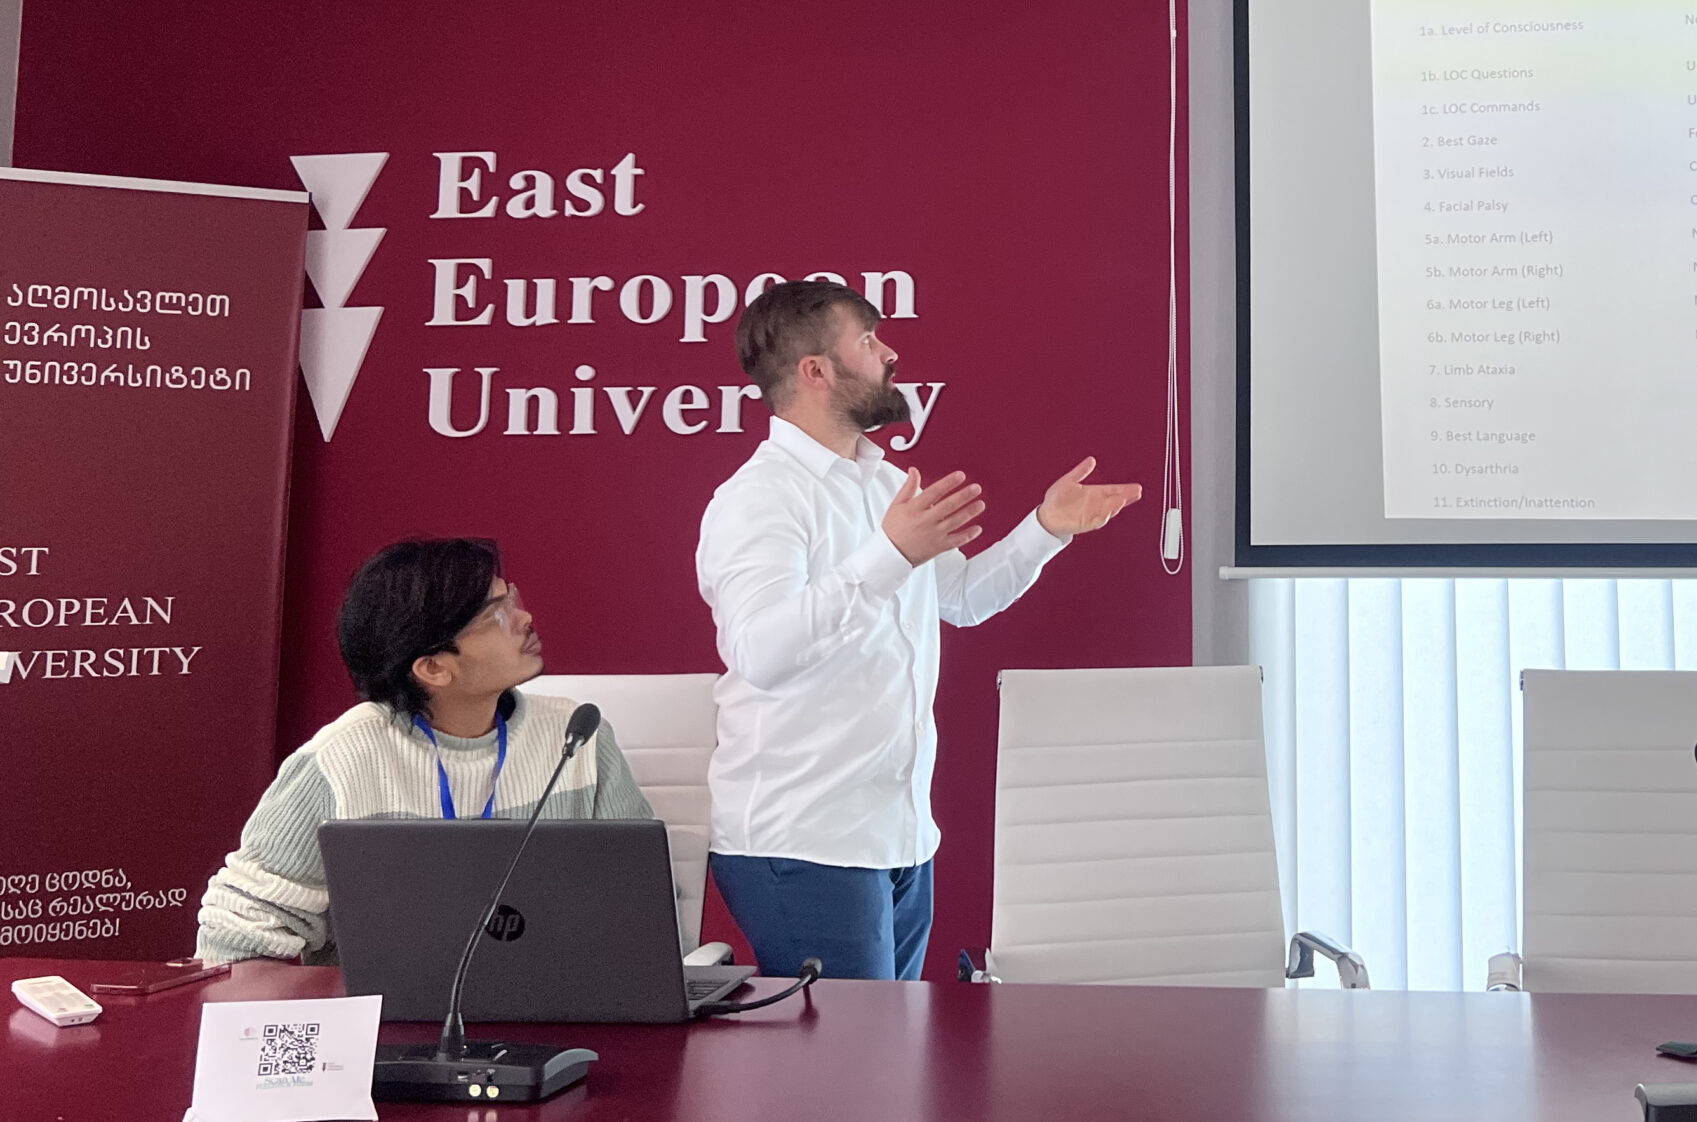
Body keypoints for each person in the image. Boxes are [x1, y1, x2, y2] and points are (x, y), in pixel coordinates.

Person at [697, 279, 1139, 981]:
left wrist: (1046, 529)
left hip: (897, 838)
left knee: (884, 1048)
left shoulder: (883, 485)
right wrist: (890, 554)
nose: (889, 354)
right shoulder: (758, 499)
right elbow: (761, 651)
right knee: (852, 1050)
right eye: (868, 341)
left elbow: (960, 598)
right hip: (804, 840)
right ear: (816, 371)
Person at [195, 537, 653, 965]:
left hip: (559, 1003)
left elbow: (641, 894)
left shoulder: (576, 737)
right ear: (434, 668)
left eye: (510, 598)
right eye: (496, 614)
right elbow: (236, 934)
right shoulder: (341, 760)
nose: (524, 618)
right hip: (387, 1017)